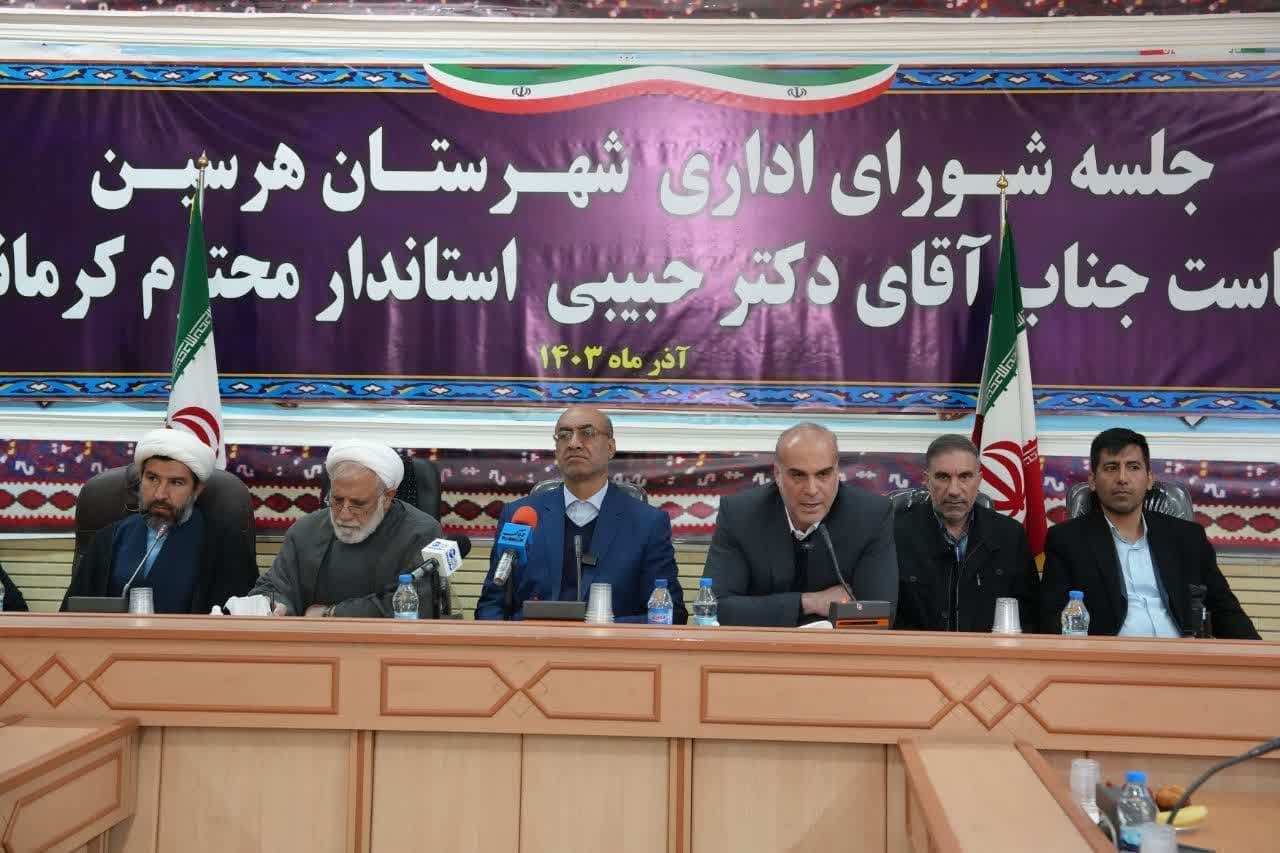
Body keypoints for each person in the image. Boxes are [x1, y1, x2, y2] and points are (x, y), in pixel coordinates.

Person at [1040, 428, 1259, 639]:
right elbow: (1050, 620)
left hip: (1183, 654)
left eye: (1133, 467)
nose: (1122, 478)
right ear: (1093, 481)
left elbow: (1225, 611)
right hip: (1109, 658)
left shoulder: (1188, 538)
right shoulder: (1068, 541)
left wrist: (1261, 658)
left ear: (1149, 478)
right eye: (1111, 467)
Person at [475, 405, 684, 622]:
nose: (573, 443)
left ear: (611, 447)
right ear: (556, 449)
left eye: (587, 433)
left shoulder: (648, 524)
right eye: (564, 435)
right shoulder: (520, 517)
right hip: (531, 640)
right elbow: (491, 605)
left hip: (611, 641)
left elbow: (671, 613)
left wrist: (602, 629)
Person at [703, 423, 897, 627]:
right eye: (798, 475)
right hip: (762, 644)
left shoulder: (870, 516)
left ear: (837, 471)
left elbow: (879, 616)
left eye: (823, 474)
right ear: (777, 474)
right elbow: (714, 609)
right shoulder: (740, 514)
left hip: (837, 646)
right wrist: (808, 603)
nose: (812, 490)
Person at [62, 427, 258, 613]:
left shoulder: (227, 546)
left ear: (196, 490)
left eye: (176, 482)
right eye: (152, 478)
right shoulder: (109, 539)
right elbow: (72, 616)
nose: (160, 494)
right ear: (141, 479)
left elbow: (242, 622)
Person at [250, 440, 442, 617]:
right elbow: (272, 587)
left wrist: (332, 613)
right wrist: (274, 604)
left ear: (387, 498)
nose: (343, 515)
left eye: (358, 504)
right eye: (337, 500)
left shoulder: (421, 533)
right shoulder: (305, 531)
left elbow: (418, 603)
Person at [893, 434, 1040, 632]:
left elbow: (1030, 617)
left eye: (965, 476)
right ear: (926, 480)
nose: (954, 490)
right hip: (917, 649)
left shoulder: (1010, 536)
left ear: (979, 480)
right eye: (943, 477)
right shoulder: (895, 535)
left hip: (989, 649)